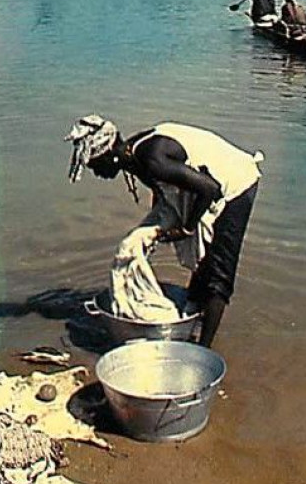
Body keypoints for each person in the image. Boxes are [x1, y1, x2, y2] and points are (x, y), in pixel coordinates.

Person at [65, 116, 263, 348]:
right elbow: (165, 189)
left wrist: (187, 228)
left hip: (235, 183)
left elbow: (210, 189)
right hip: (209, 181)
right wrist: (155, 231)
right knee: (204, 263)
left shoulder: (150, 158)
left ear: (109, 154)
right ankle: (191, 316)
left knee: (218, 273)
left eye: (94, 164)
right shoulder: (133, 154)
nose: (95, 172)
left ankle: (203, 350)